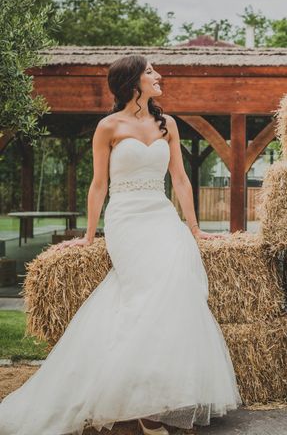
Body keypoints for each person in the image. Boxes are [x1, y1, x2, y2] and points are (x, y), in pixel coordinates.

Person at [0, 55, 241, 435]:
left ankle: (156, 398)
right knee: (146, 293)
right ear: (132, 81)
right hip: (126, 219)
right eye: (150, 72)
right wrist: (89, 234)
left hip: (162, 217)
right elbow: (98, 185)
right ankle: (140, 404)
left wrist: (194, 229)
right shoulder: (107, 126)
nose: (158, 76)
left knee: (177, 287)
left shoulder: (168, 125)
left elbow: (179, 179)